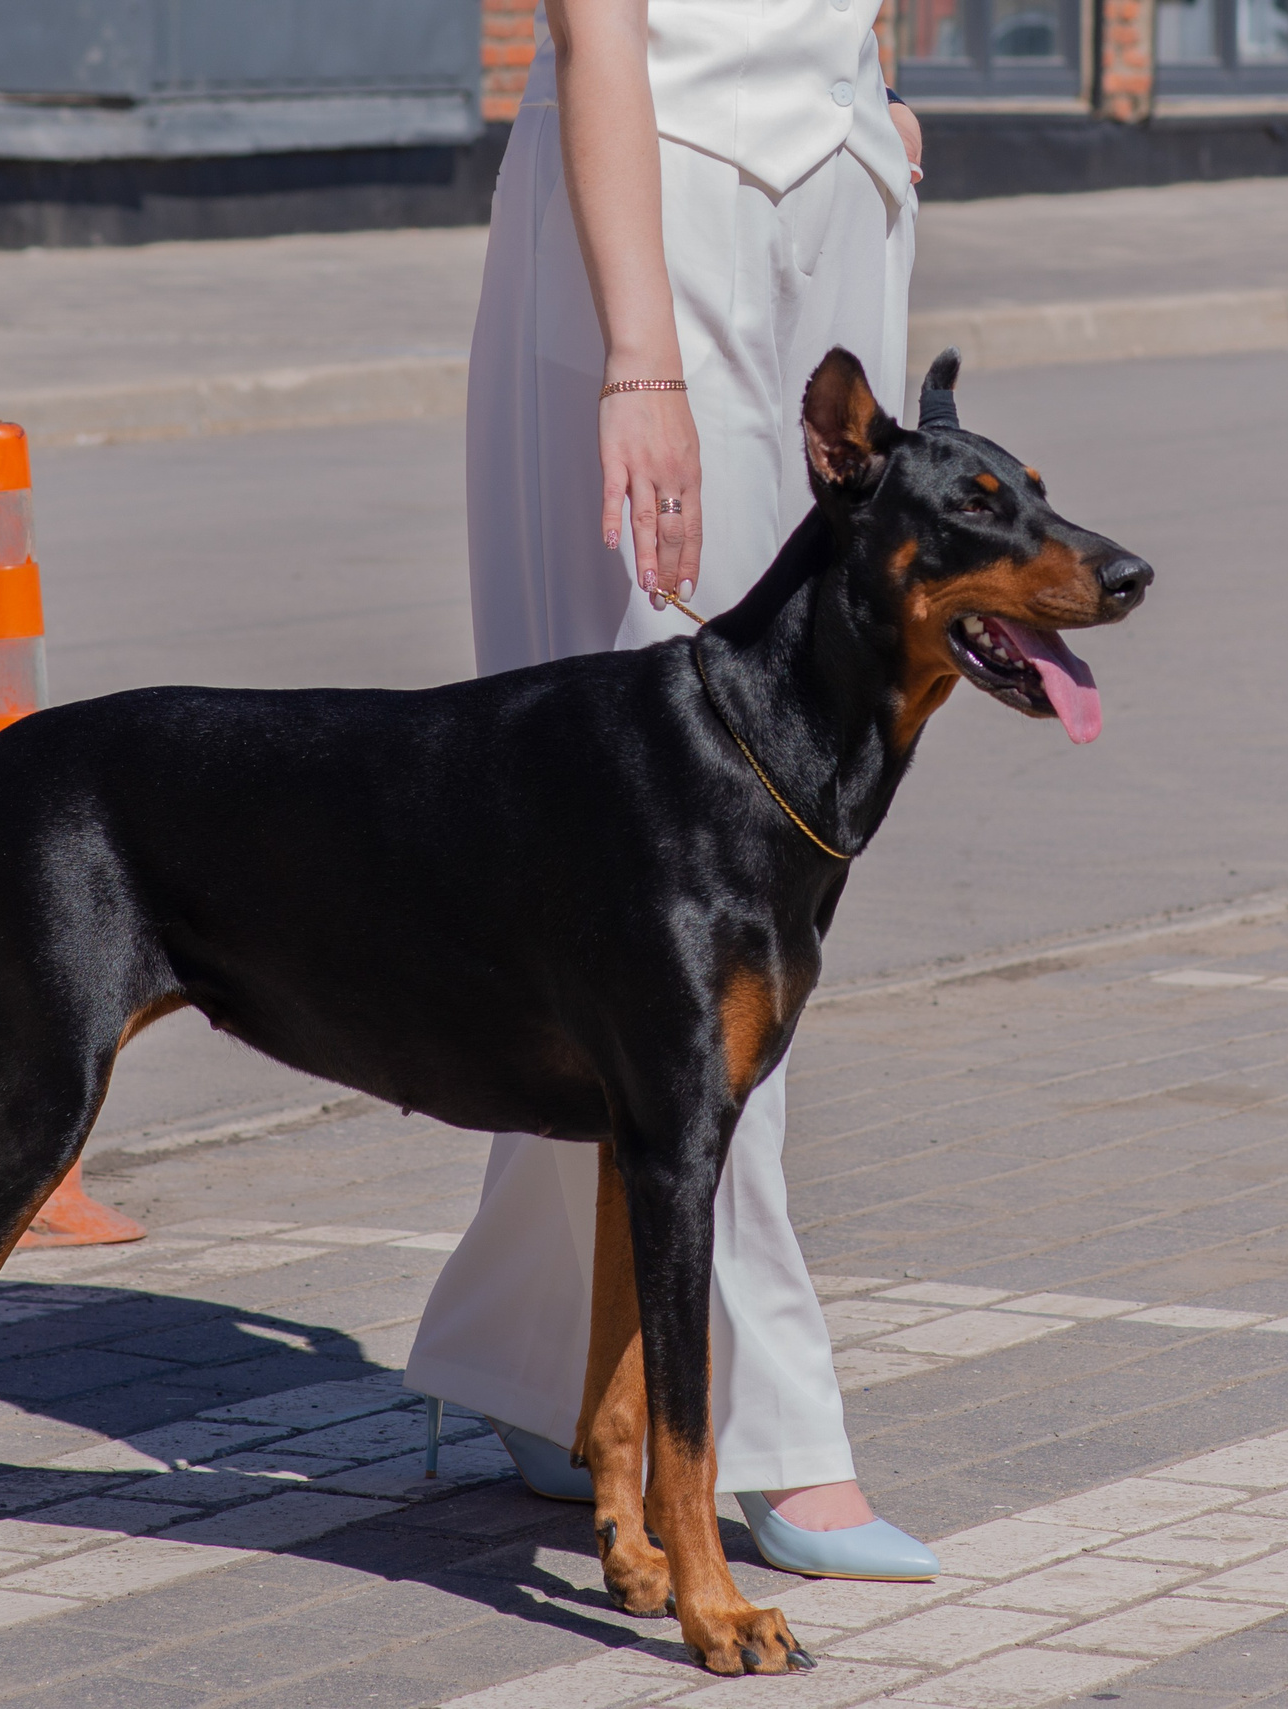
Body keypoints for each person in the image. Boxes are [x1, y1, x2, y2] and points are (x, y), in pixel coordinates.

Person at [401, 0, 939, 1582]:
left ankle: (532, 1362)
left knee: (746, 832)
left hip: (839, 189)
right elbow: (598, 28)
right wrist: (640, 360)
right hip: (642, 205)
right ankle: (769, 1435)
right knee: (670, 849)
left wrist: (879, 85)